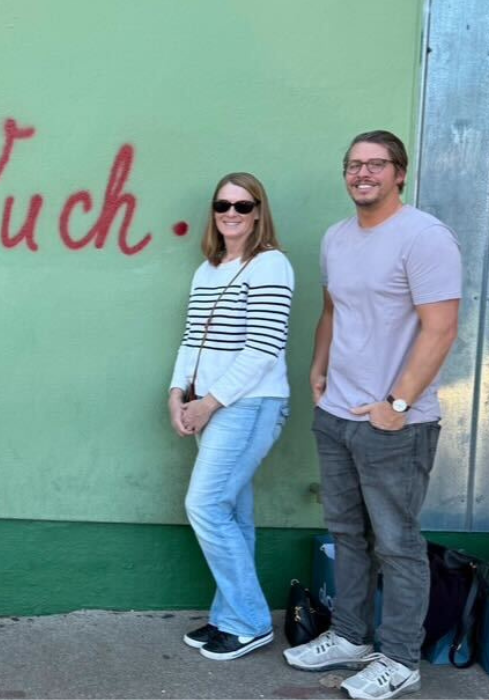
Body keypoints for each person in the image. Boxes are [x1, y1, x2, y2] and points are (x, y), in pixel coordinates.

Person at [283, 131, 461, 700]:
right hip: (337, 412)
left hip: (395, 423)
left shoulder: (424, 237)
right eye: (354, 165)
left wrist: (397, 405)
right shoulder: (337, 238)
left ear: (399, 173)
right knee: (346, 534)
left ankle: (401, 659)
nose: (363, 174)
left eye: (376, 165)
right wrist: (318, 366)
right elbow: (334, 308)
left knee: (397, 543)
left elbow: (441, 329)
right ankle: (351, 638)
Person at [169, 172, 294, 661]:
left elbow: (263, 348)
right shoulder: (210, 269)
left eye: (244, 206)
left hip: (249, 405)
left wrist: (209, 402)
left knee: (204, 506)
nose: (232, 214)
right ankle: (228, 618)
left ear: (259, 212)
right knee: (232, 513)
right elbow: (191, 340)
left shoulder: (270, 265)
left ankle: (249, 620)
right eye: (223, 204)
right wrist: (177, 393)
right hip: (212, 405)